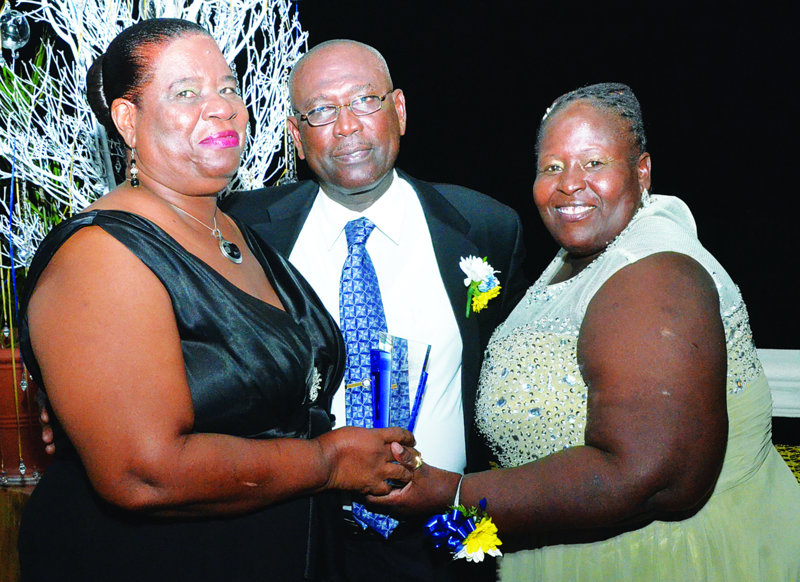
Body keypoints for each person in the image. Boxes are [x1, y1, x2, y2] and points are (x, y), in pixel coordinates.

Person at [17, 19, 417, 582]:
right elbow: (143, 474)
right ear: (128, 119)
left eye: (228, 88)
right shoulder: (101, 256)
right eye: (186, 92)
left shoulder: (238, 231)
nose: (222, 107)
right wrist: (327, 464)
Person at [371, 82, 800, 580]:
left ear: (641, 172)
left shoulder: (655, 275)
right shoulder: (576, 257)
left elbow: (651, 478)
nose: (569, 184)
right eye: (551, 167)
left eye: (593, 163)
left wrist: (451, 495)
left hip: (667, 560)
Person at [220, 39, 528, 581]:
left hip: (441, 542)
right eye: (320, 111)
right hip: (296, 536)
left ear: (399, 111)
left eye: (364, 101)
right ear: (296, 135)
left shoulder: (485, 228)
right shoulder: (244, 232)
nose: (346, 126)